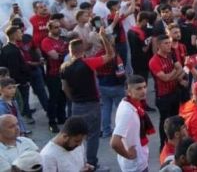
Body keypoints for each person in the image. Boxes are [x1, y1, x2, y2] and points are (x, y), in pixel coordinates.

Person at [60, 33, 114, 168]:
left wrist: (73, 99)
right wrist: (104, 38)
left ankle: (77, 163)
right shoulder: (88, 63)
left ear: (70, 51)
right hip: (91, 104)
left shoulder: (65, 67)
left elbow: (64, 87)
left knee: (76, 134)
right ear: (82, 50)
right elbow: (110, 55)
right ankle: (91, 163)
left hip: (76, 105)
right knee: (93, 135)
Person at [149, 35, 187, 148]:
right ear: (159, 45)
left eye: (169, 43)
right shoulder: (154, 61)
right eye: (166, 43)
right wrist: (176, 73)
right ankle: (163, 146)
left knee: (175, 120)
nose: (169, 45)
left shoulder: (171, 55)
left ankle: (176, 144)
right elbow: (165, 78)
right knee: (165, 122)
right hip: (163, 96)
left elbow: (181, 70)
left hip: (174, 92)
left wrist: (175, 75)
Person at [111, 75, 154, 172]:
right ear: (128, 92)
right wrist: (128, 155)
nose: (143, 91)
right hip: (135, 166)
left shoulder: (134, 104)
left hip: (140, 160)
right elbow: (115, 142)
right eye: (138, 88)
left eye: (144, 87)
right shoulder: (127, 111)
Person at [0, 26, 34, 125]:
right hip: (19, 82)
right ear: (14, 35)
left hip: (17, 81)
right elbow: (14, 69)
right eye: (19, 33)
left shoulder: (9, 48)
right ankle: (23, 122)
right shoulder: (12, 51)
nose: (21, 35)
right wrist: (23, 81)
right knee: (21, 104)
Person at [39, 19, 68, 133]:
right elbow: (54, 56)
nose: (58, 29)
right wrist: (65, 54)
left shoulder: (63, 40)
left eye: (59, 26)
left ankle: (61, 117)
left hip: (64, 72)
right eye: (55, 27)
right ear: (49, 29)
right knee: (54, 98)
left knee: (63, 96)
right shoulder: (46, 41)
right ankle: (52, 122)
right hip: (52, 74)